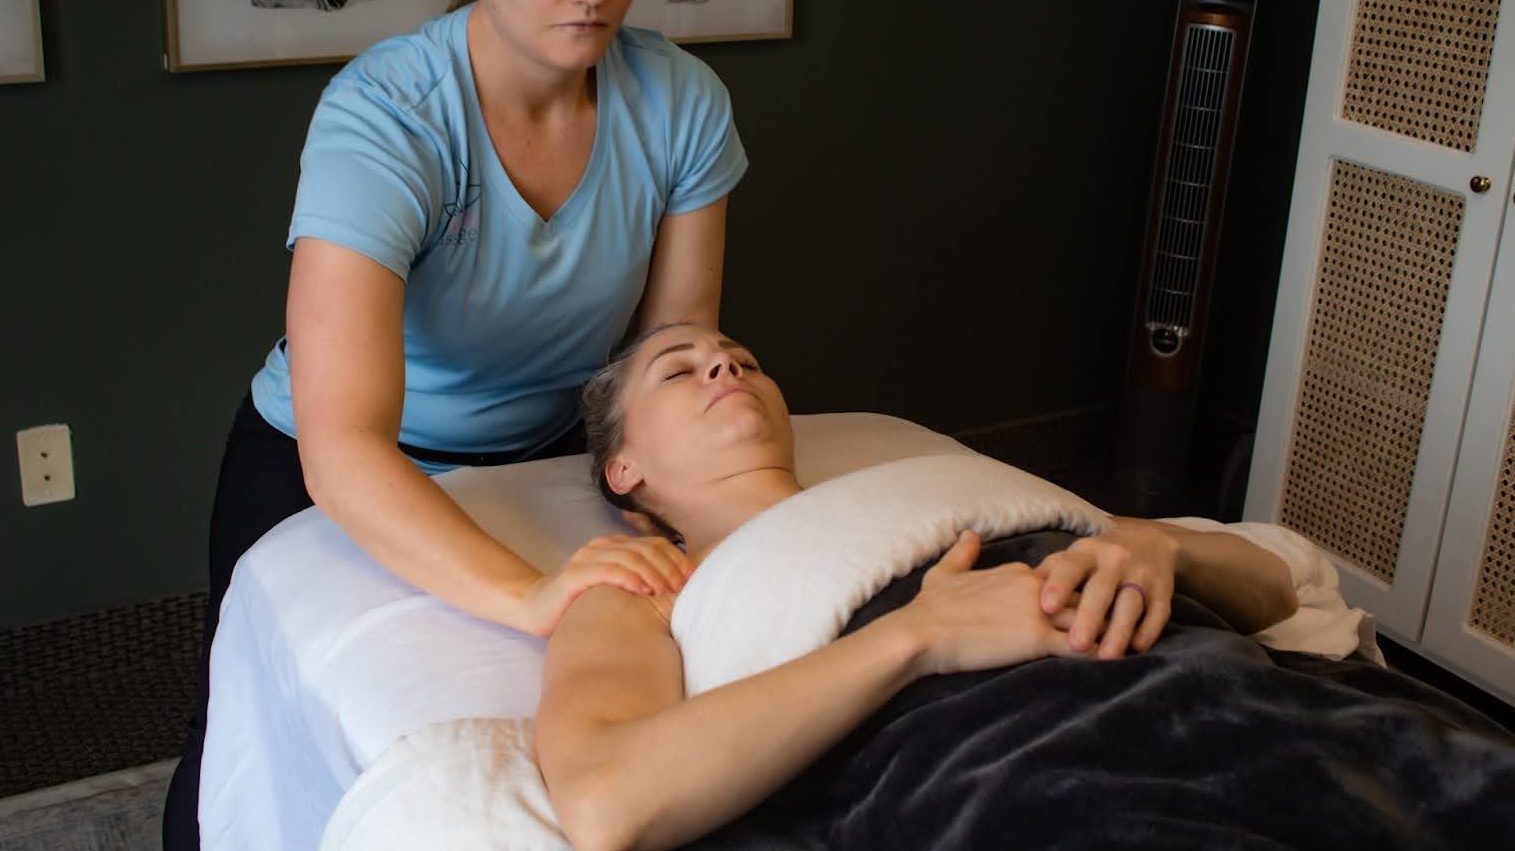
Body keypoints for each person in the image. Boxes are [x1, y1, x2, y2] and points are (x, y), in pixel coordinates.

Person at [164, 0, 739, 846]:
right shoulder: (386, 116)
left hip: (553, 447)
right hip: (326, 456)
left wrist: (721, 531)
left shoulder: (682, 102)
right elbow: (344, 444)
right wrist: (526, 595)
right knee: (244, 720)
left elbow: (669, 352)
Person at [536, 323, 1302, 850]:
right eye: (679, 368)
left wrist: (1158, 543)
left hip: (1256, 711)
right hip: (1032, 772)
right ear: (623, 470)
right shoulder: (651, 588)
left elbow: (1276, 594)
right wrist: (919, 635)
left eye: (745, 359)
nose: (728, 366)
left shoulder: (924, 486)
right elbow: (607, 801)